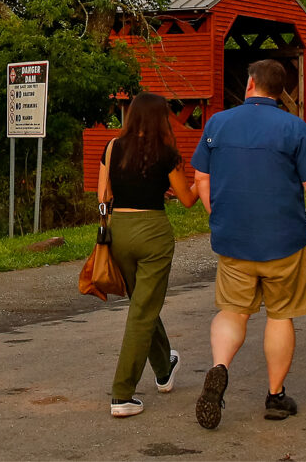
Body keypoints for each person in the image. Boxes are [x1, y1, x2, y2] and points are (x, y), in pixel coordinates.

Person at [190, 59, 306, 429]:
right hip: (284, 240)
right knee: (280, 315)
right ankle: (275, 396)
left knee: (233, 312)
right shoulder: (295, 128)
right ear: (281, 91)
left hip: (233, 239)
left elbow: (201, 178)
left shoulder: (217, 123)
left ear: (250, 83)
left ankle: (219, 368)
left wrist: (218, 215)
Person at [97, 91, 199, 418]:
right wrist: (204, 180)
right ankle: (122, 394)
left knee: (142, 302)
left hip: (120, 230)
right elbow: (187, 199)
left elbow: (104, 195)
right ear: (159, 118)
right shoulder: (166, 153)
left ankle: (164, 366)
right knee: (143, 310)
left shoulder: (112, 147)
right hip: (153, 230)